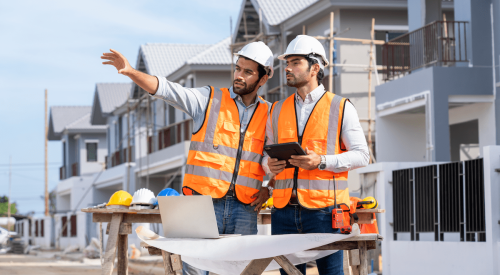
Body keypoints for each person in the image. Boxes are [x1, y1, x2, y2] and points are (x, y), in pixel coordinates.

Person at [101, 41, 275, 275]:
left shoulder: (270, 114)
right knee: (194, 271)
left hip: (244, 208)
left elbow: (276, 161)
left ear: (263, 79)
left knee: (241, 270)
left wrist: (270, 188)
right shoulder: (209, 100)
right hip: (200, 205)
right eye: (238, 68)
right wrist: (131, 71)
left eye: (248, 72)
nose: (239, 75)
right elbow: (166, 89)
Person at [263, 35, 369, 275]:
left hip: (325, 212)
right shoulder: (277, 109)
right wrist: (271, 164)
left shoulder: (340, 107)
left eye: (296, 62)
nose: (288, 68)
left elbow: (363, 156)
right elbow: (267, 155)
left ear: (315, 68)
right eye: (287, 62)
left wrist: (321, 161)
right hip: (284, 212)